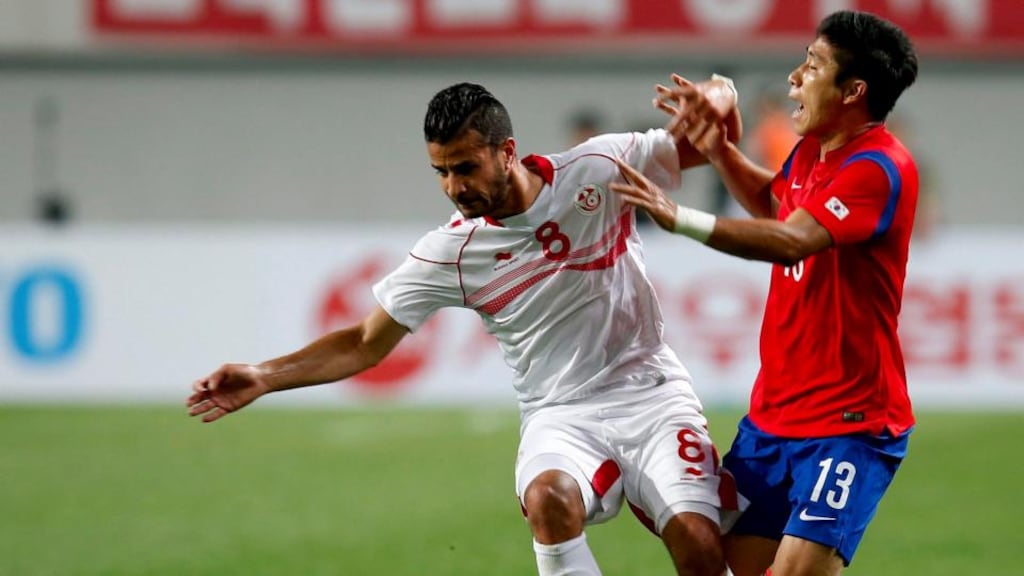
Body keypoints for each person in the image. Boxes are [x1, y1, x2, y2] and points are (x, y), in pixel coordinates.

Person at [187, 79, 742, 575]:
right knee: (549, 499)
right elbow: (362, 342)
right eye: (441, 172)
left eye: (465, 167)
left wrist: (721, 95)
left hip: (651, 394)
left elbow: (714, 143)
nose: (453, 186)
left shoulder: (596, 168)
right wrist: (264, 375)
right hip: (560, 415)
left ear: (506, 153)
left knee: (697, 544)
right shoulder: (451, 252)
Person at [610, 10, 919, 576]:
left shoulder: (879, 168)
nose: (794, 79)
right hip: (773, 419)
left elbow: (791, 239)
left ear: (854, 91)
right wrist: (720, 150)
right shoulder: (812, 150)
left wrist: (681, 218)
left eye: (813, 66)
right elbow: (778, 206)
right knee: (716, 562)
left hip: (848, 424)